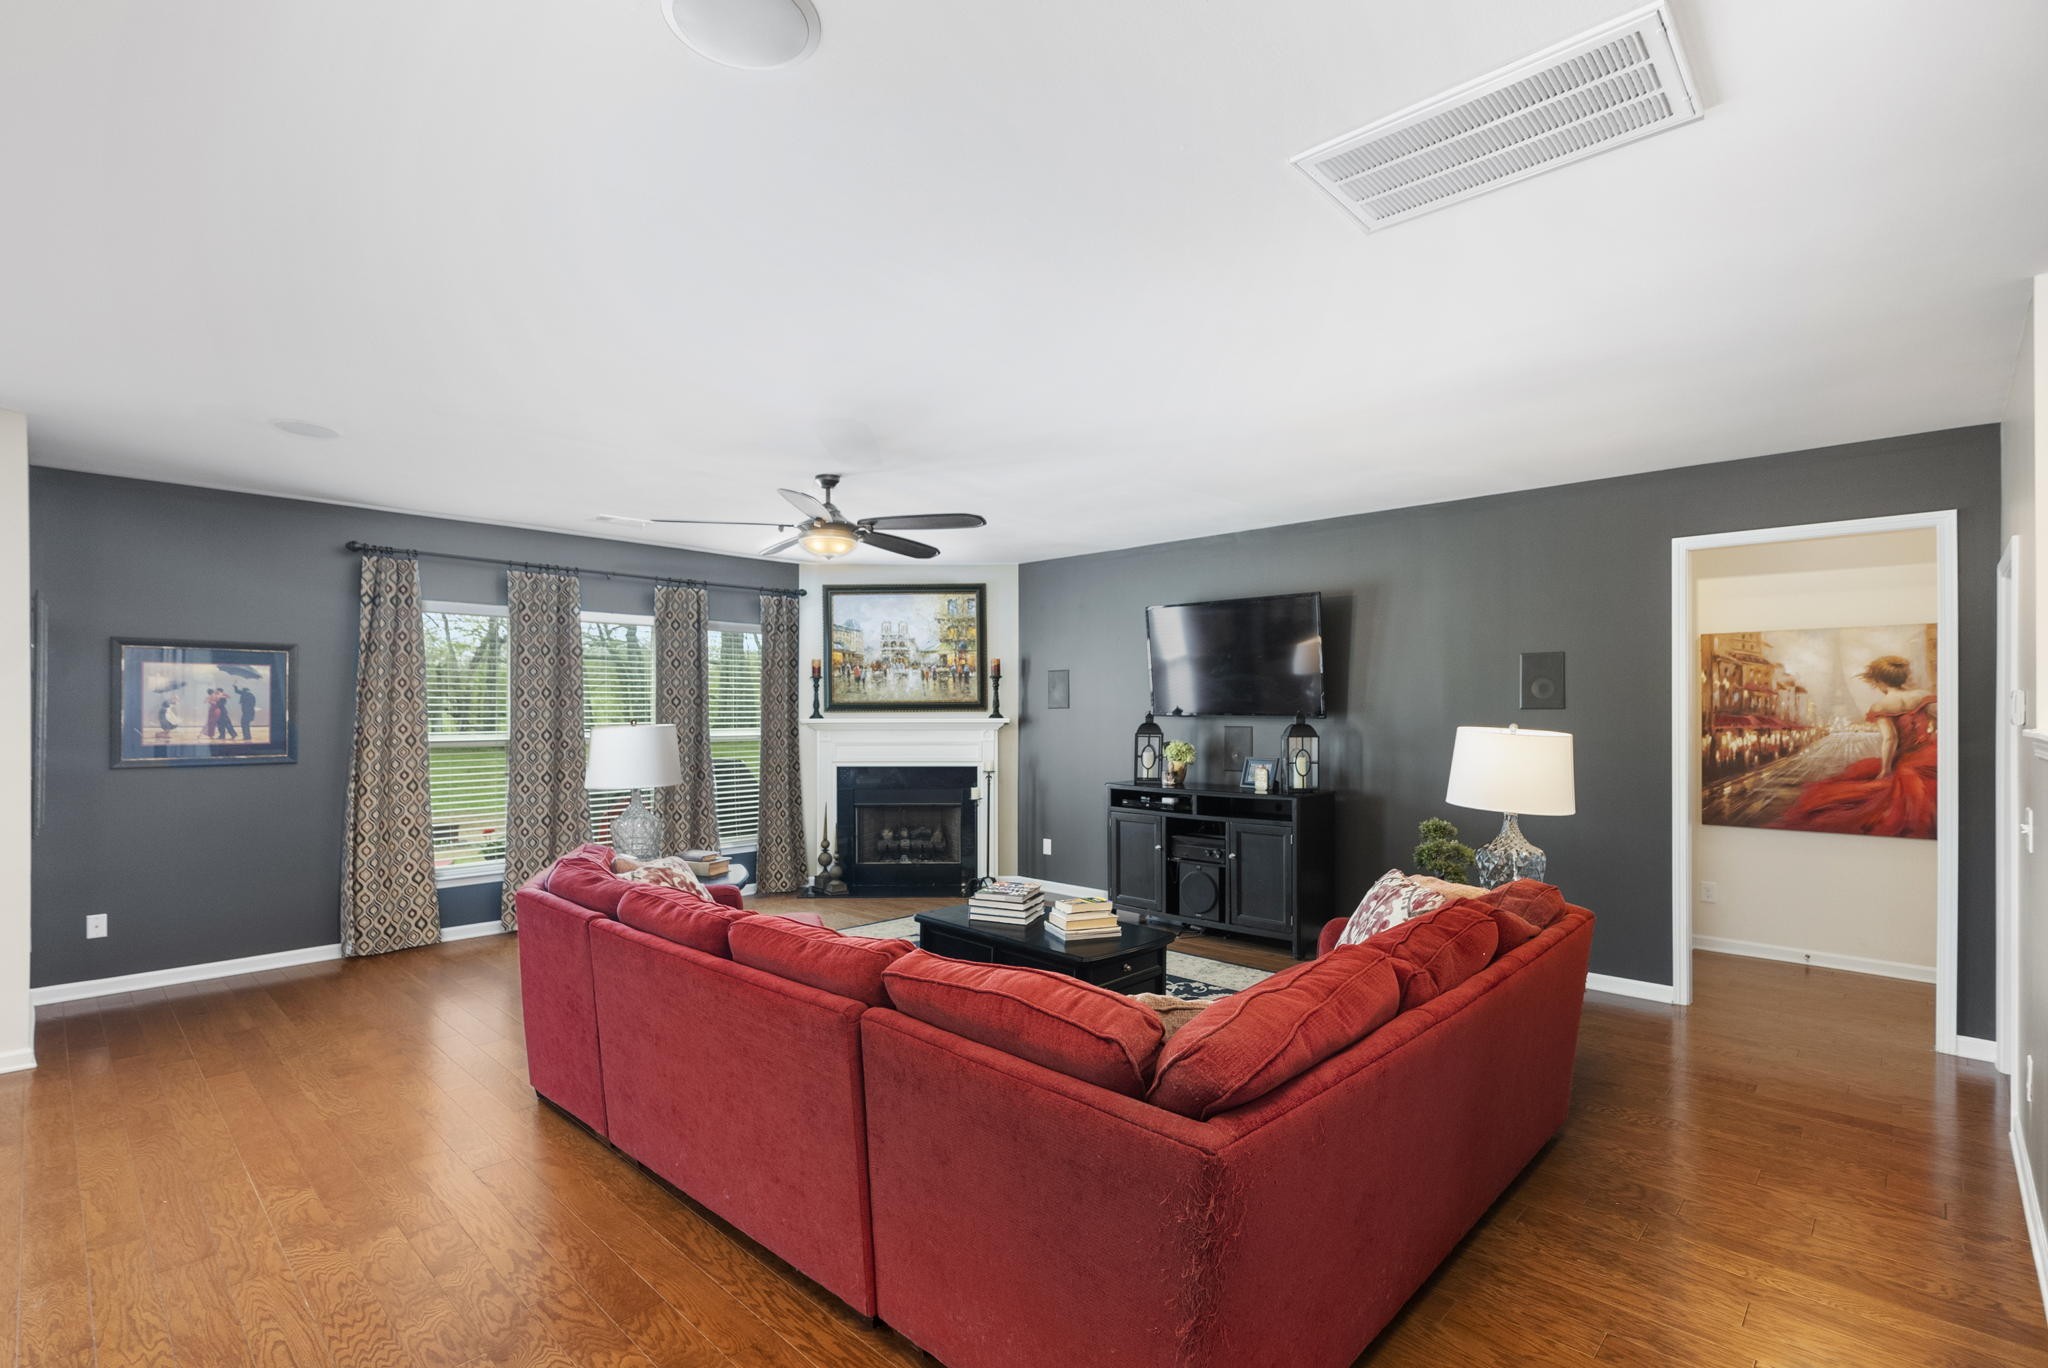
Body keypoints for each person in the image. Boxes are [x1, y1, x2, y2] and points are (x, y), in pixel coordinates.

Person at [1770, 655, 1935, 839]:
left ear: (1879, 681)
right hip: (1928, 754)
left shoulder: (1881, 705)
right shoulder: (1922, 696)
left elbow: (1890, 739)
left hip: (1904, 760)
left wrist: (1885, 769)